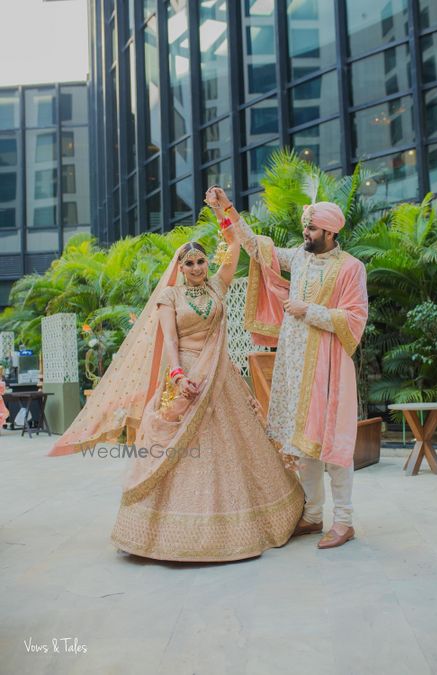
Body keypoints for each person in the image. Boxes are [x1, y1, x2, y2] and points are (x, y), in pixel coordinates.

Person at [49, 222, 303, 562]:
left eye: (200, 262)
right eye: (189, 263)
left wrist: (223, 213)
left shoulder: (217, 287)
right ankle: (161, 531)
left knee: (233, 444)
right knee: (176, 446)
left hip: (219, 373)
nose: (196, 268)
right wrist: (179, 376)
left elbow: (234, 246)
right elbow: (170, 340)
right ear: (179, 267)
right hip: (185, 374)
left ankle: (244, 523)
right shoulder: (170, 296)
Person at [205, 187, 368, 549]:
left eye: (312, 230)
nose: (306, 234)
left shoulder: (351, 268)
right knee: (301, 442)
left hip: (328, 367)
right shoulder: (300, 259)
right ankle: (313, 515)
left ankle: (344, 521)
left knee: (332, 444)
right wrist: (225, 208)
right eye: (305, 228)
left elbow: (356, 319)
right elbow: (255, 247)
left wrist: (308, 310)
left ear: (331, 232)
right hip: (295, 364)